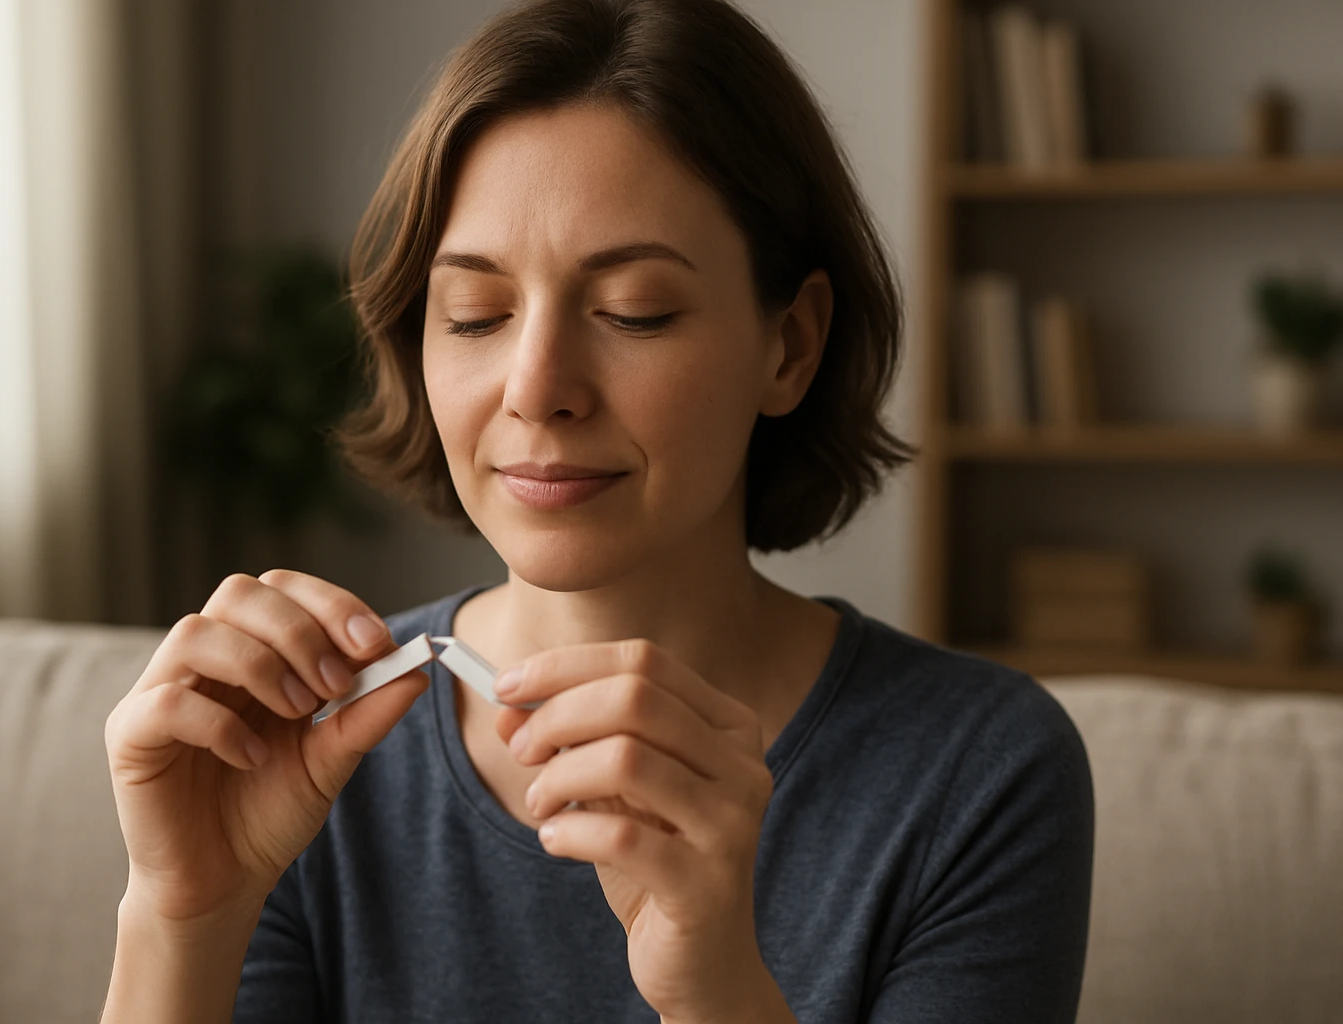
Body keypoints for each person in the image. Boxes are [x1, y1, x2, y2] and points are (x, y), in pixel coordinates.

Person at [100, 0, 1094, 1020]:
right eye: (475, 315)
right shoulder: (303, 747)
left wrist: (714, 985)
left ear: (790, 345)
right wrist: (181, 914)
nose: (537, 386)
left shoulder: (978, 768)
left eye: (634, 312)